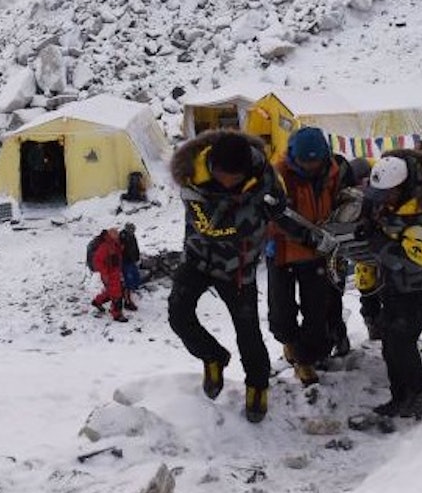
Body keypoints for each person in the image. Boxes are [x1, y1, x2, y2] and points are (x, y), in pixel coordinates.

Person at [168, 130, 297, 423]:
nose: (227, 182)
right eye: (222, 175)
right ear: (211, 165)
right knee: (178, 314)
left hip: (239, 267)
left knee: (248, 331)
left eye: (233, 178)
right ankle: (213, 356)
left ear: (246, 171)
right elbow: (211, 226)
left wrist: (276, 210)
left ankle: (258, 386)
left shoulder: (266, 179)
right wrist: (252, 210)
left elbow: (280, 208)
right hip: (198, 259)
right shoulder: (191, 175)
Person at [360, 149, 422, 419]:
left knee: (401, 338)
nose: (384, 202)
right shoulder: (395, 200)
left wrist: (377, 243)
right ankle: (399, 396)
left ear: (404, 187)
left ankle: (417, 391)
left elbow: (412, 261)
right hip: (397, 283)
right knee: (389, 339)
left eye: (388, 195)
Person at [267, 127, 355, 386]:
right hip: (283, 253)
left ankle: (304, 360)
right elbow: (269, 216)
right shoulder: (277, 176)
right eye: (306, 161)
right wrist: (305, 236)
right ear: (294, 156)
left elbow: (344, 200)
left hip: (318, 255)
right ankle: (290, 343)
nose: (311, 166)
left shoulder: (334, 172)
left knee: (317, 315)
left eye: (316, 160)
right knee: (281, 315)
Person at [89, 228, 129, 323]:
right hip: (109, 274)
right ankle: (117, 314)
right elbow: (97, 261)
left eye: (117, 233)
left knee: (112, 292)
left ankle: (97, 302)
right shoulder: (105, 246)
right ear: (110, 235)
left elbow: (117, 257)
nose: (117, 235)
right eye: (115, 234)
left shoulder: (115, 243)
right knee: (117, 294)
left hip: (116, 272)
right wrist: (105, 273)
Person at [119, 223, 142, 311]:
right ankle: (127, 301)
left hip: (131, 261)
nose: (133, 231)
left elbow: (135, 247)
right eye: (132, 229)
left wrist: (137, 258)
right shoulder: (123, 237)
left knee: (135, 278)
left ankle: (130, 295)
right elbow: (120, 251)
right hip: (125, 262)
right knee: (128, 281)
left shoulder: (132, 236)